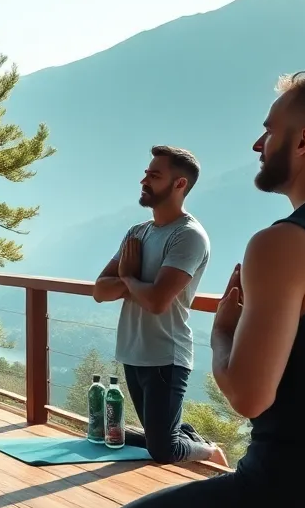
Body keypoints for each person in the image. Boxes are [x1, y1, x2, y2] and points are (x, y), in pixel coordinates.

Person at [89, 72, 305, 508]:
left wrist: (222, 330)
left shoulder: (284, 245)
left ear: (302, 142)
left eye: (269, 131)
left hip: (295, 492)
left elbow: (249, 396)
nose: (257, 143)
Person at [91, 145, 227, 466]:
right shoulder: (137, 232)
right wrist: (134, 283)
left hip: (167, 355)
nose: (144, 180)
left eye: (154, 175)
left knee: (163, 450)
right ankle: (184, 434)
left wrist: (126, 277)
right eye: (146, 173)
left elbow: (157, 301)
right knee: (152, 438)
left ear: (179, 184)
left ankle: (210, 450)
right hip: (132, 349)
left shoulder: (188, 236)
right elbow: (99, 290)